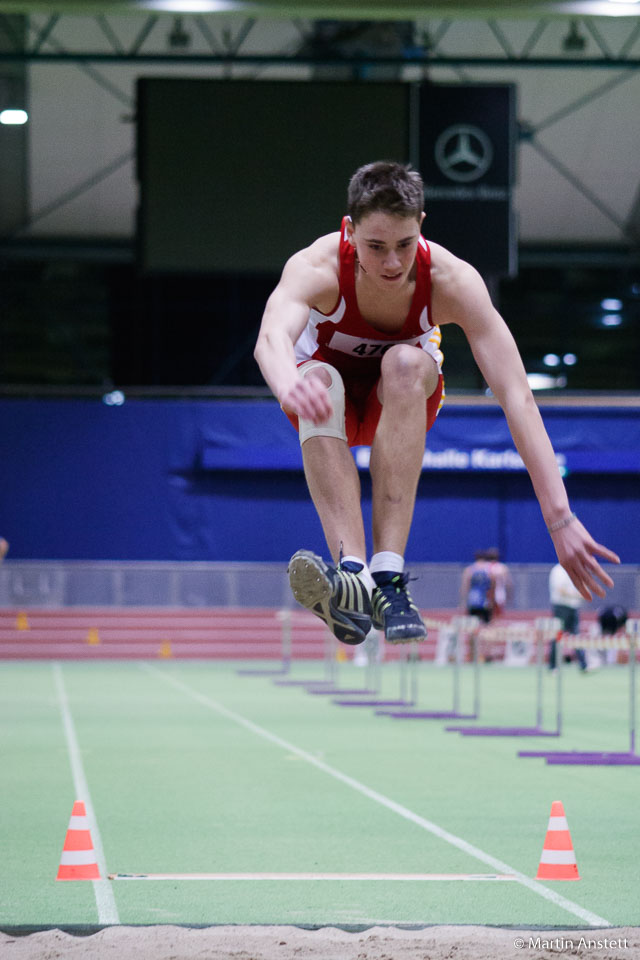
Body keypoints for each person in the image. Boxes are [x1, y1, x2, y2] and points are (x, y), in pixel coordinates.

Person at [254, 160, 619, 647]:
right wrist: (285, 383)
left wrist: (560, 518)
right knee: (319, 379)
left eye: (404, 245)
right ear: (349, 232)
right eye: (375, 246)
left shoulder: (452, 281)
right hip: (323, 405)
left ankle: (387, 578)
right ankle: (354, 576)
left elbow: (518, 396)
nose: (391, 264)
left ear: (421, 227)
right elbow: (270, 337)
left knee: (405, 363)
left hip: (398, 402)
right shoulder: (317, 267)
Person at [548, 562, 587, 671]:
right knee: (558, 635)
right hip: (561, 608)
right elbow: (560, 590)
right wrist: (578, 595)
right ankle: (553, 665)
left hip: (573, 607)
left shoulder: (575, 569)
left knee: (576, 636)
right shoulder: (558, 571)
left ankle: (584, 664)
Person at [460, 551, 495, 623]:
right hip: (485, 600)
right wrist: (492, 599)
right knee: (487, 624)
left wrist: (463, 601)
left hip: (473, 599)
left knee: (472, 624)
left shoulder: (470, 569)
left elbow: (465, 585)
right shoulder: (489, 570)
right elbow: (493, 585)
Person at [485, 546, 513, 618]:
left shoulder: (484, 567)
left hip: (487, 593)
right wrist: (509, 594)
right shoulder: (502, 567)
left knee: (489, 613)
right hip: (499, 592)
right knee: (498, 613)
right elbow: (508, 582)